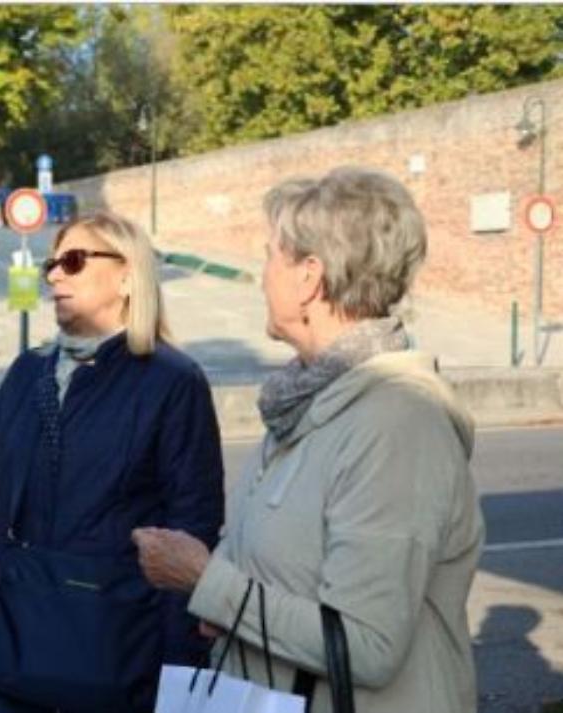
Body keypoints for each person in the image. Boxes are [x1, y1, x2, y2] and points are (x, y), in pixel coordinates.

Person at [133, 167, 484, 713]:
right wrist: (222, 594)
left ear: (309, 278)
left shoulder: (399, 421)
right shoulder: (305, 403)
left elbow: (367, 646)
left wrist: (205, 582)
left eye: (271, 255)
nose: (262, 275)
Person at [0, 212, 225, 712]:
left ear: (126, 276)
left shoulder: (172, 380)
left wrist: (179, 663)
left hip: (114, 656)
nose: (53, 274)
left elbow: (193, 522)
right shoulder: (28, 370)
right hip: (3, 644)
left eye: (73, 261)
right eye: (53, 263)